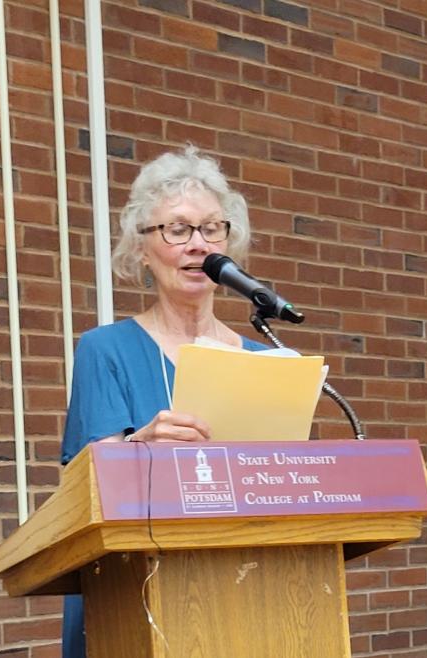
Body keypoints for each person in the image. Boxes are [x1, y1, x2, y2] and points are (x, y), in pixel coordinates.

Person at [60, 145, 268, 657]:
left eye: (212, 229)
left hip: (246, 595)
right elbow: (83, 494)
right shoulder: (105, 350)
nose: (198, 245)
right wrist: (138, 448)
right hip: (131, 599)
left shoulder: (266, 360)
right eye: (177, 230)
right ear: (141, 249)